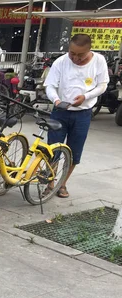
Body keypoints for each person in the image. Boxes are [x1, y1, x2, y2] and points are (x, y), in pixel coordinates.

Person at [44, 33, 109, 198]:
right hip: (60, 112)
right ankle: (50, 183)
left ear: (89, 50)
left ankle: (62, 184)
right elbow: (50, 86)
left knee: (74, 151)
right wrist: (56, 100)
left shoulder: (99, 61)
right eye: (72, 53)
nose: (75, 58)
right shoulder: (61, 61)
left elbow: (102, 85)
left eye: (80, 55)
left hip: (83, 114)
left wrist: (86, 97)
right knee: (53, 149)